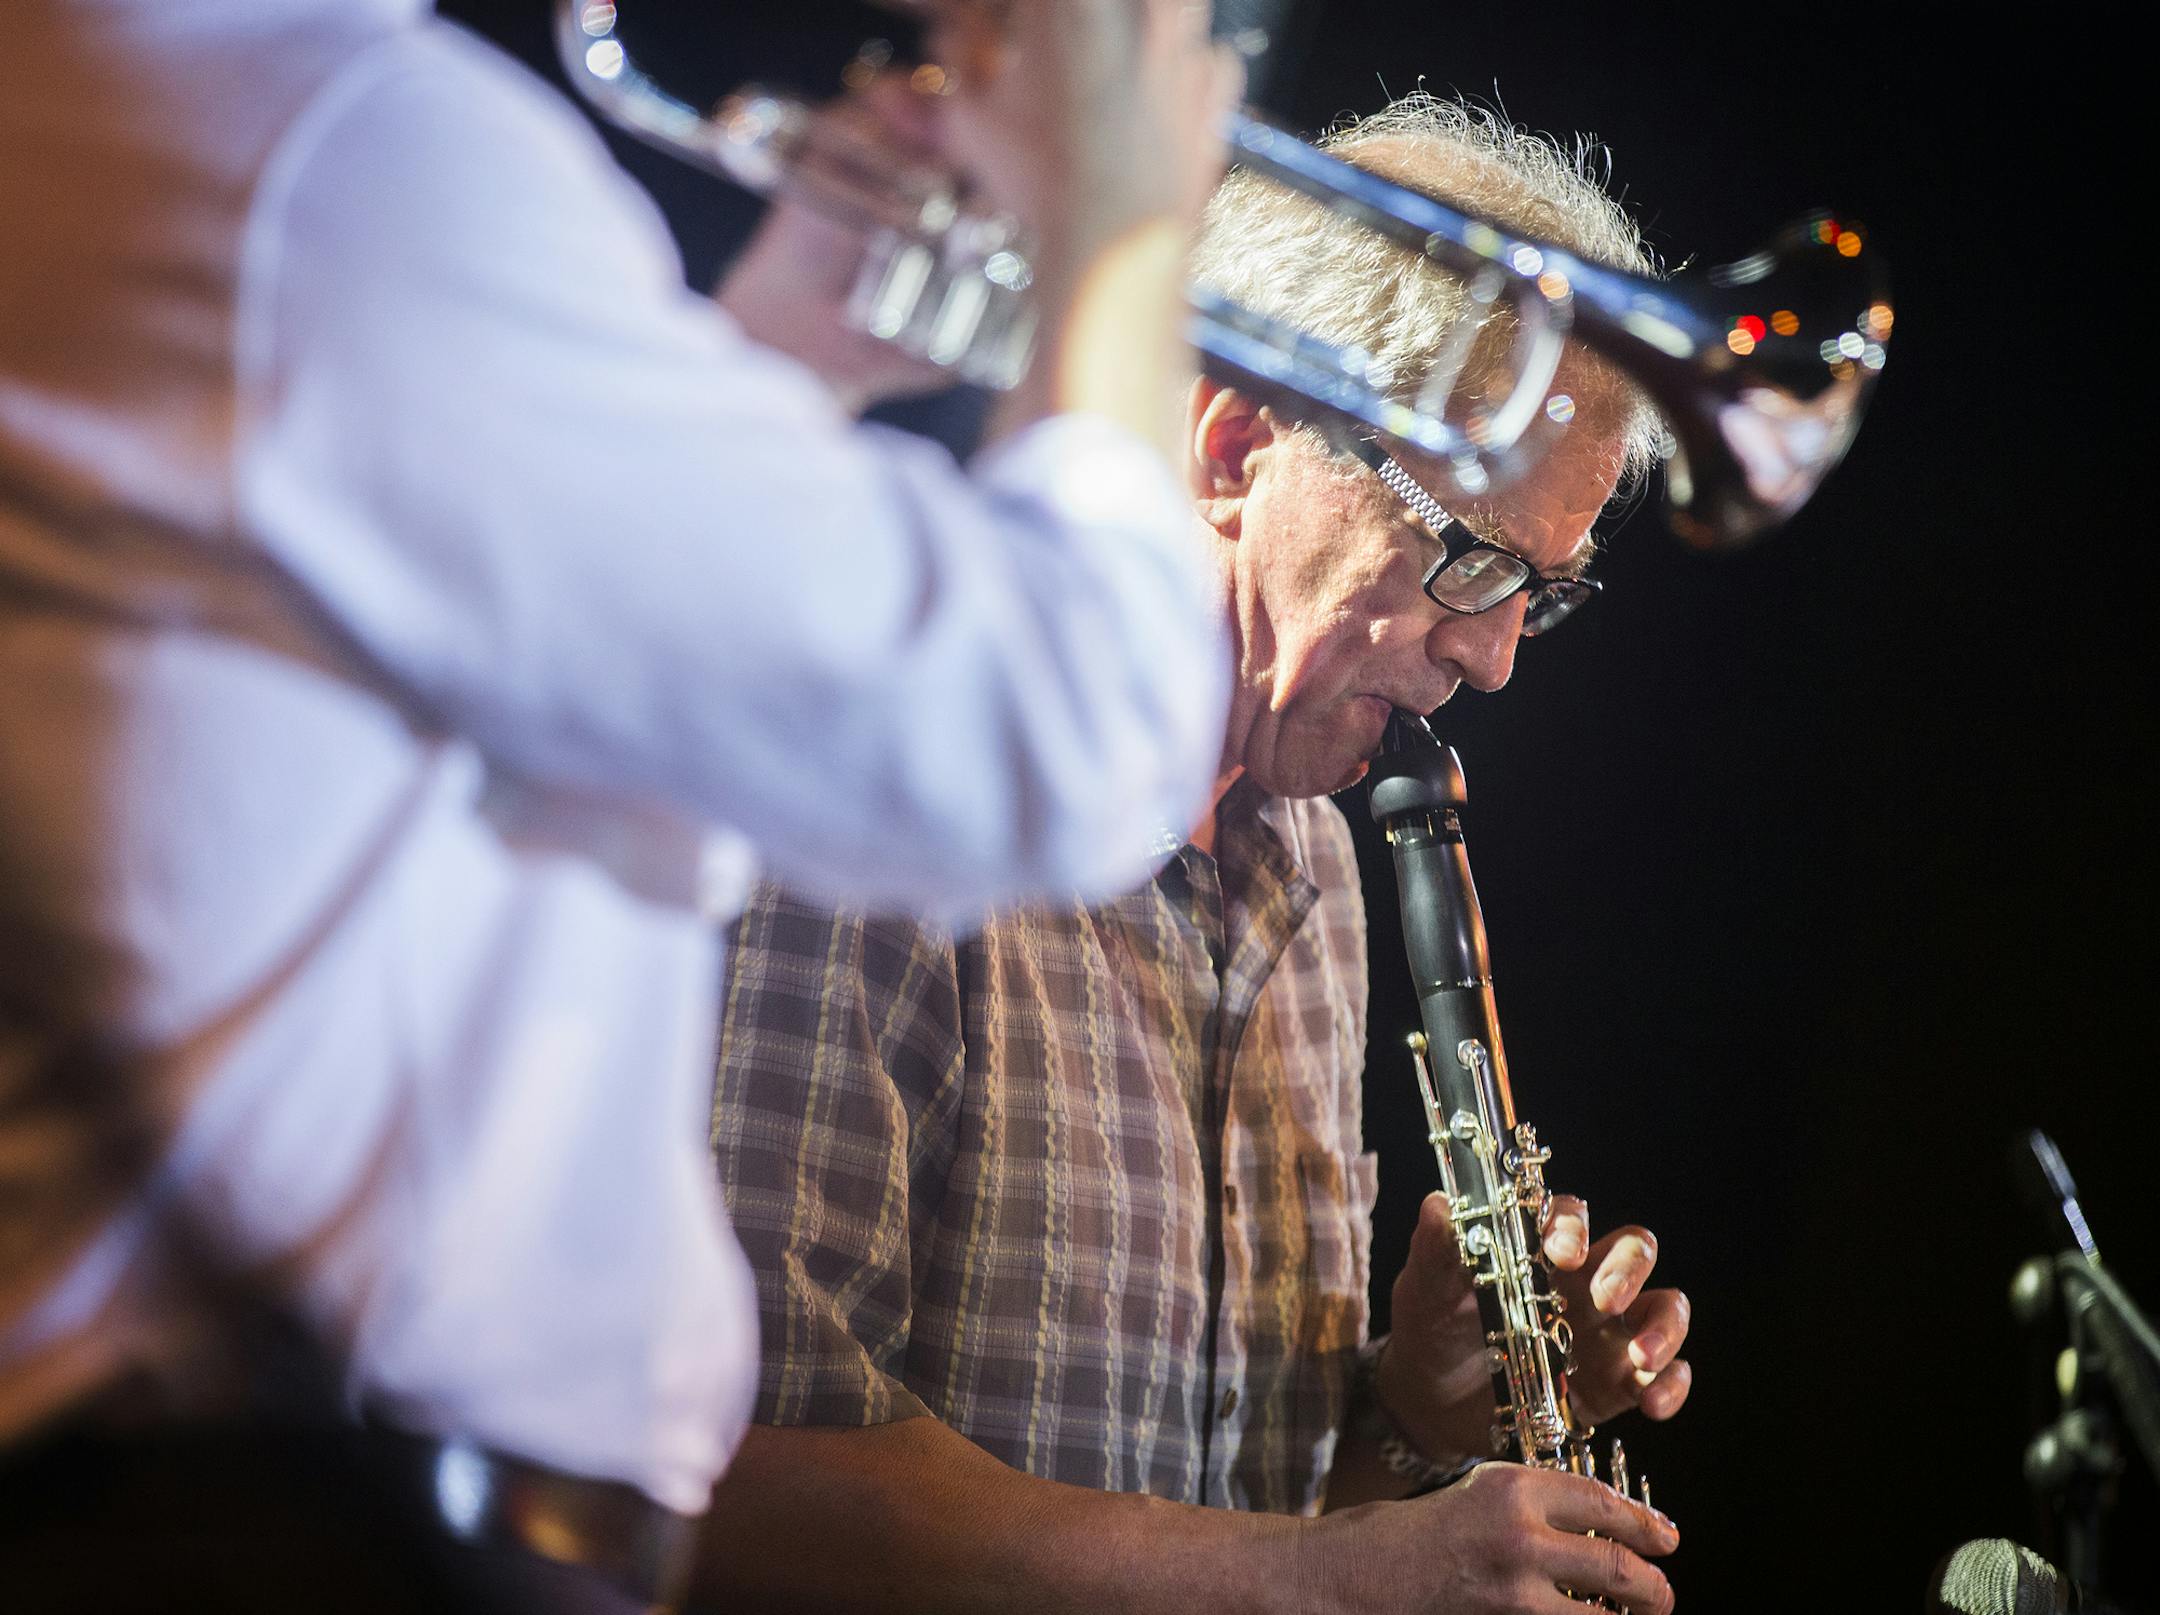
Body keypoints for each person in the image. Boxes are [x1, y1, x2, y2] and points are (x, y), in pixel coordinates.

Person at [0, 1, 1242, 1606]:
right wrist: (1124, 228)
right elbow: (1070, 742)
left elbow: (488, 711)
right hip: (316, 1517)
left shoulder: (148, 107)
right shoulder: (341, 147)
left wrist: (788, 354)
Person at [703, 96, 1695, 1615]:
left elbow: (1248, 1514)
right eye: (1467, 556)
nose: (1495, 659)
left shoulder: (1325, 872)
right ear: (1236, 442)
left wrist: (1415, 1410)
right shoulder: (892, 772)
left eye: (1537, 592)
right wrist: (1345, 1585)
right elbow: (732, 1474)